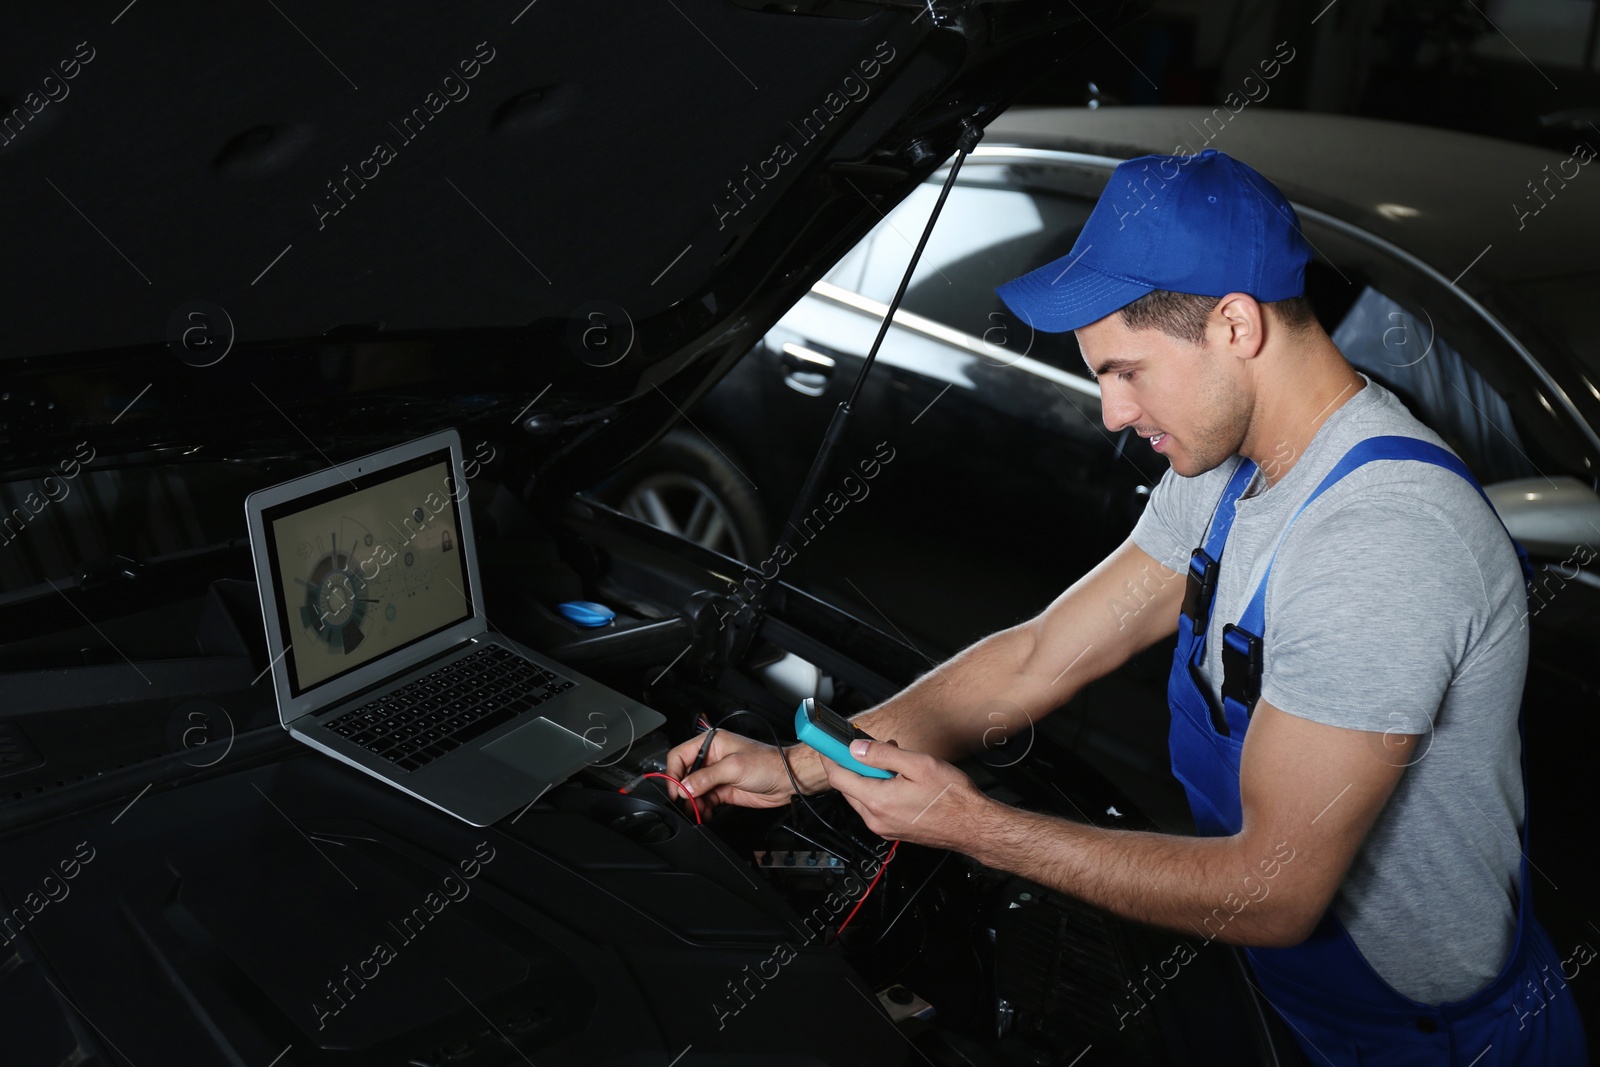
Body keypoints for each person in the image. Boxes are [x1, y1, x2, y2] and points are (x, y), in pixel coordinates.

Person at [666, 148, 1586, 1064]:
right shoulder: (1230, 466)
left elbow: (1275, 890)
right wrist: (803, 765)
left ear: (1235, 325)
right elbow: (1037, 657)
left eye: (1127, 371)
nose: (1112, 413)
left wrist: (974, 826)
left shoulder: (1379, 541)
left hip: (1431, 1043)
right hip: (1282, 997)